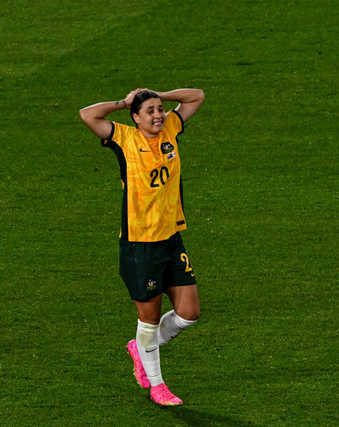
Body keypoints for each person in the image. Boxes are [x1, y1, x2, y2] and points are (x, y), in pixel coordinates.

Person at [79, 88, 205, 406]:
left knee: (189, 312)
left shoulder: (172, 127)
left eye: (160, 108)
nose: (158, 114)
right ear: (135, 118)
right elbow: (88, 114)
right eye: (149, 110)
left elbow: (196, 96)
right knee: (148, 319)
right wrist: (123, 102)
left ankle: (142, 347)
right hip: (140, 245)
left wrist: (160, 93)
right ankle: (157, 386)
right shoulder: (124, 138)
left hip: (171, 238)